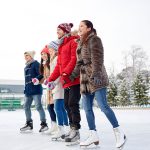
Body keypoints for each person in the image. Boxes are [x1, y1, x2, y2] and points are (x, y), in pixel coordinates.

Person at [70, 20, 126, 148]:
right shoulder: (80, 43)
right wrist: (72, 75)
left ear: (89, 28)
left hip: (96, 77)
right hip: (84, 79)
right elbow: (79, 63)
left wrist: (95, 73)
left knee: (103, 106)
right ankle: (93, 135)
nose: (79, 28)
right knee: (87, 109)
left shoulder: (94, 39)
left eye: (82, 26)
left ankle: (119, 132)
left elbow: (98, 58)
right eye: (79, 26)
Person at [47, 23, 81, 143]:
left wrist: (66, 73)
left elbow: (74, 59)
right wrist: (51, 78)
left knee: (72, 103)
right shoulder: (61, 46)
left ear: (66, 31)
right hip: (65, 81)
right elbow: (59, 67)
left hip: (73, 79)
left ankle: (76, 131)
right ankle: (72, 129)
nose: (57, 32)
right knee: (67, 105)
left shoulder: (73, 42)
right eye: (56, 30)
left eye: (59, 30)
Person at [20, 51, 48, 132]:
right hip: (28, 90)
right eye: (25, 56)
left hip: (36, 89)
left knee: (38, 106)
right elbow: (26, 80)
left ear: (31, 56)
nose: (25, 57)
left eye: (27, 56)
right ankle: (29, 123)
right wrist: (25, 89)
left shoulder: (36, 64)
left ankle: (44, 124)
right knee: (26, 106)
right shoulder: (26, 67)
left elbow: (42, 73)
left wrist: (36, 79)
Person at [47, 41, 69, 140]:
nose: (49, 51)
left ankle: (62, 129)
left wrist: (53, 83)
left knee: (58, 108)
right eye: (49, 49)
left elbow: (58, 73)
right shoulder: (53, 59)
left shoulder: (56, 59)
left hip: (59, 86)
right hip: (56, 86)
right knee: (61, 108)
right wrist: (49, 81)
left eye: (51, 49)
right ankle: (65, 128)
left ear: (55, 49)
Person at [40, 46, 57, 134]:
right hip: (49, 88)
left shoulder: (51, 63)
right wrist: (40, 81)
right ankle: (54, 125)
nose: (43, 56)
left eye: (44, 53)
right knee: (50, 107)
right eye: (42, 54)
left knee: (54, 107)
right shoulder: (44, 64)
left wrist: (49, 81)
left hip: (54, 86)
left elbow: (54, 73)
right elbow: (44, 77)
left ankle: (58, 126)